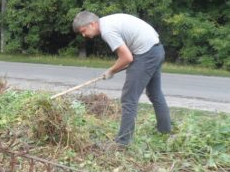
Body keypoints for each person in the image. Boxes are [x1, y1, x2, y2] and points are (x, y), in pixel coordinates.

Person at [72, 11, 172, 146]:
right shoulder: (107, 21)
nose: (84, 35)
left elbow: (127, 58)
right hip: (157, 49)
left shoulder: (107, 31)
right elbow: (129, 57)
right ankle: (165, 131)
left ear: (92, 24)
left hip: (146, 53)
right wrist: (115, 69)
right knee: (154, 93)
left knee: (129, 98)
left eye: (83, 31)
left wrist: (111, 71)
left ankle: (123, 142)